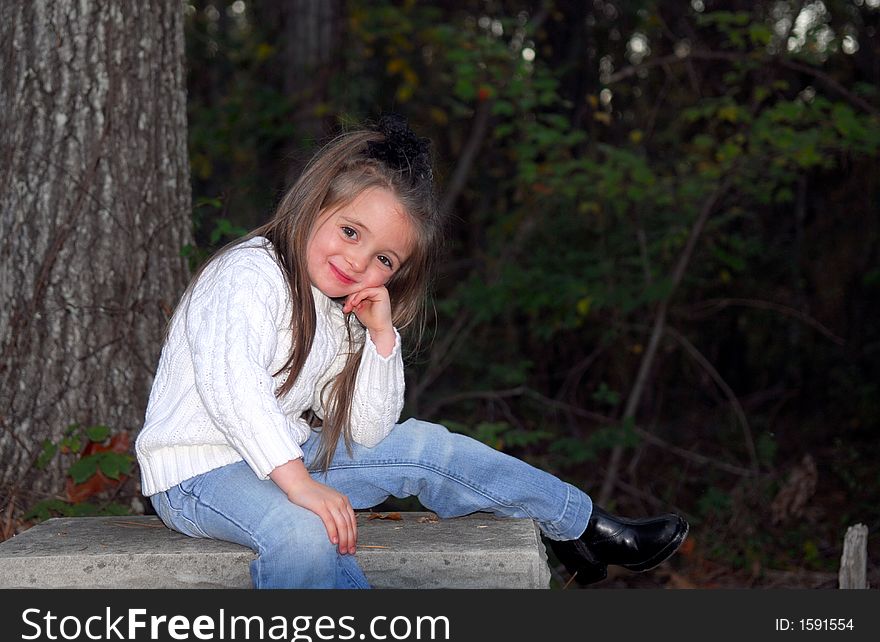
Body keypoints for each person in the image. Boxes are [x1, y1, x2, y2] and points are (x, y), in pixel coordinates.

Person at [135, 114, 688, 589]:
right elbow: (233, 388)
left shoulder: (339, 307)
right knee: (301, 530)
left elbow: (369, 432)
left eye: (384, 260)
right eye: (351, 232)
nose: (358, 263)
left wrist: (378, 338)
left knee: (426, 446)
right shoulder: (248, 273)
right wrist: (301, 485)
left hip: (281, 458)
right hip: (199, 473)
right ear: (314, 204)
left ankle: (581, 526)